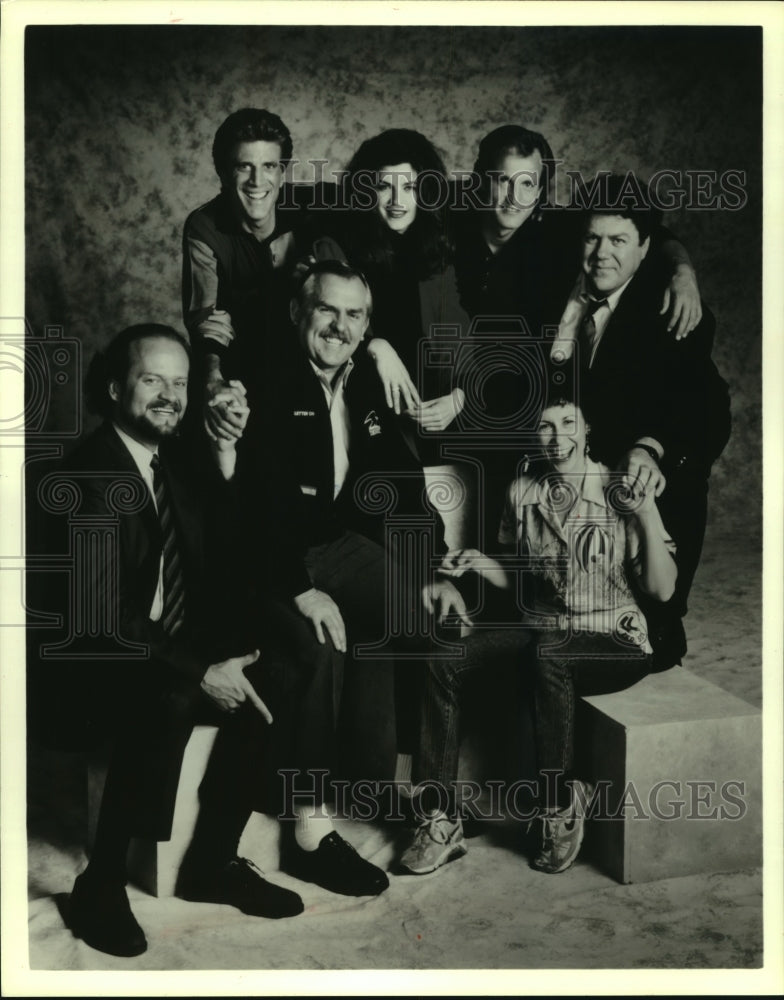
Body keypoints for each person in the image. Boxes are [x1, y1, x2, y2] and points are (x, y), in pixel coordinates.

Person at [43, 325, 304, 958]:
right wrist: (199, 668)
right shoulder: (88, 475)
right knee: (172, 694)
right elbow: (104, 617)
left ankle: (212, 860)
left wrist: (225, 460)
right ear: (114, 389)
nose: (169, 395)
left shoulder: (174, 462)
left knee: (277, 670)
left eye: (180, 383)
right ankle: (101, 880)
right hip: (93, 660)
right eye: (151, 379)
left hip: (161, 639)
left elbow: (228, 557)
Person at [398, 395, 677, 876]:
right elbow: (527, 581)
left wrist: (648, 513)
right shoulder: (522, 491)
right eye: (545, 426)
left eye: (568, 422)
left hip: (614, 638)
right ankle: (439, 819)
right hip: (547, 628)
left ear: (588, 429)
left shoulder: (619, 487)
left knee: (550, 654)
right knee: (443, 656)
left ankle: (559, 803)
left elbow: (663, 589)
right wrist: (481, 563)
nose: (557, 436)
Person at [233, 260, 444, 897]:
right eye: (328, 310)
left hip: (333, 545)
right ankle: (308, 828)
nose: (340, 325)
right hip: (264, 557)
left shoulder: (360, 382)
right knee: (321, 642)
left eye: (355, 316)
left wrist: (434, 569)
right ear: (300, 312)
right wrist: (301, 587)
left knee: (414, 613)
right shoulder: (262, 380)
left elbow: (401, 484)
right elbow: (246, 508)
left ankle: (377, 783)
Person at [450, 125, 707, 548]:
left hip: (518, 393)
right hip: (456, 382)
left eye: (527, 183)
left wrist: (683, 270)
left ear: (542, 192)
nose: (513, 196)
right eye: (500, 181)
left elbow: (644, 229)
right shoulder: (449, 223)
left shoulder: (558, 233)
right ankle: (492, 566)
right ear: (481, 181)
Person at [550, 173, 731, 665]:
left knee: (648, 638)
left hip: (646, 485)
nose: (601, 253)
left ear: (645, 248)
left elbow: (706, 411)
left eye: (618, 240)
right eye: (592, 237)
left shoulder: (673, 309)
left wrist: (651, 446)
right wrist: (565, 325)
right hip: (582, 494)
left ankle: (660, 624)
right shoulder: (565, 297)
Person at [182, 107, 342, 438]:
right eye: (244, 167)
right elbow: (207, 317)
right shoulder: (204, 226)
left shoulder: (316, 211)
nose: (257, 181)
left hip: (310, 374)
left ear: (283, 173)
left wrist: (316, 276)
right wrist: (212, 379)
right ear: (223, 173)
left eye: (269, 166)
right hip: (242, 377)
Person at [336, 129, 471, 461]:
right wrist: (375, 347)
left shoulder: (447, 251)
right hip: (369, 413)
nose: (398, 202)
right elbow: (327, 330)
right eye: (385, 187)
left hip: (443, 415)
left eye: (410, 187)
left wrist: (460, 398)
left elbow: (475, 344)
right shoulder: (339, 248)